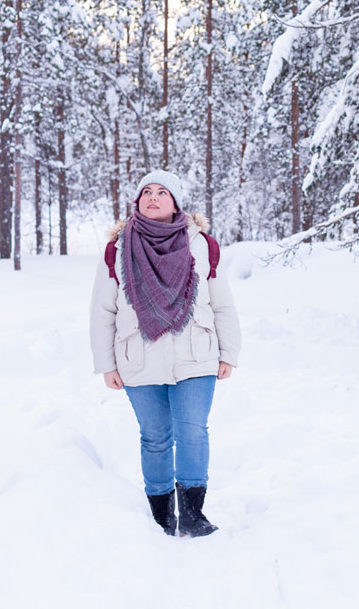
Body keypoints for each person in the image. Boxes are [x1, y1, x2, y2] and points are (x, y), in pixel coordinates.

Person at [89, 170, 241, 537]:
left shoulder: (202, 245)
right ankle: (161, 514)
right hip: (138, 358)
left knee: (193, 432)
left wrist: (229, 352)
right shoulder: (117, 248)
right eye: (146, 192)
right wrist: (106, 364)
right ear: (137, 201)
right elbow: (102, 310)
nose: (153, 198)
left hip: (196, 354)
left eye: (162, 192)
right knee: (155, 436)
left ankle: (192, 512)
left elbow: (222, 304)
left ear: (175, 203)